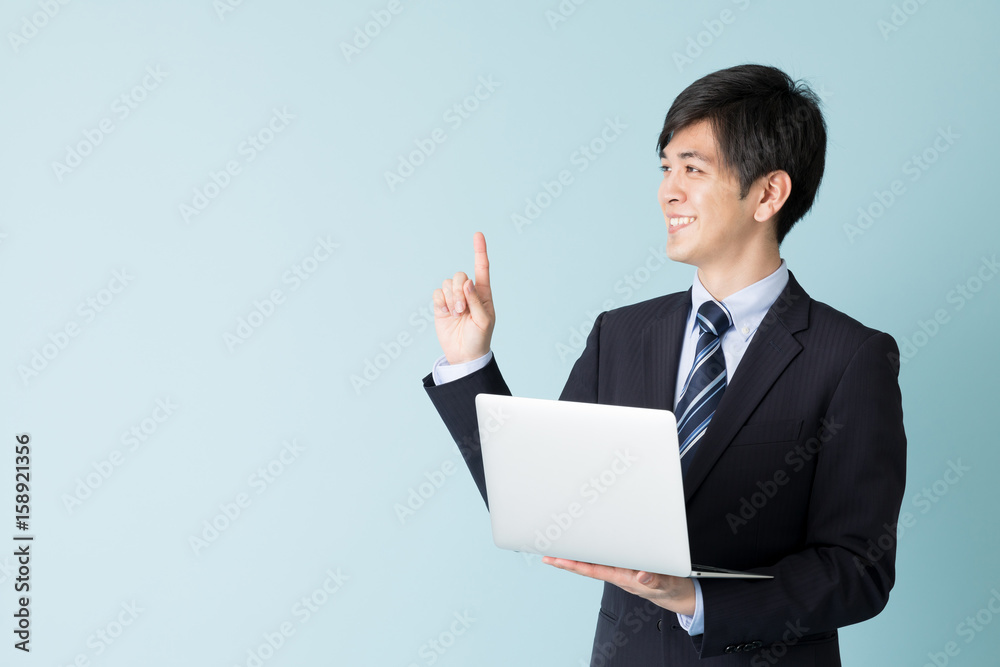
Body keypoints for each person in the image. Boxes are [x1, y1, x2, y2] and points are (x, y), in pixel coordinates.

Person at [421, 64, 906, 665]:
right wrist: (471, 364)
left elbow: (857, 570)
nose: (668, 190)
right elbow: (542, 505)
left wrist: (698, 597)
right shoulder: (620, 334)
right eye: (666, 167)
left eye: (693, 169)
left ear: (768, 193)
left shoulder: (851, 357)